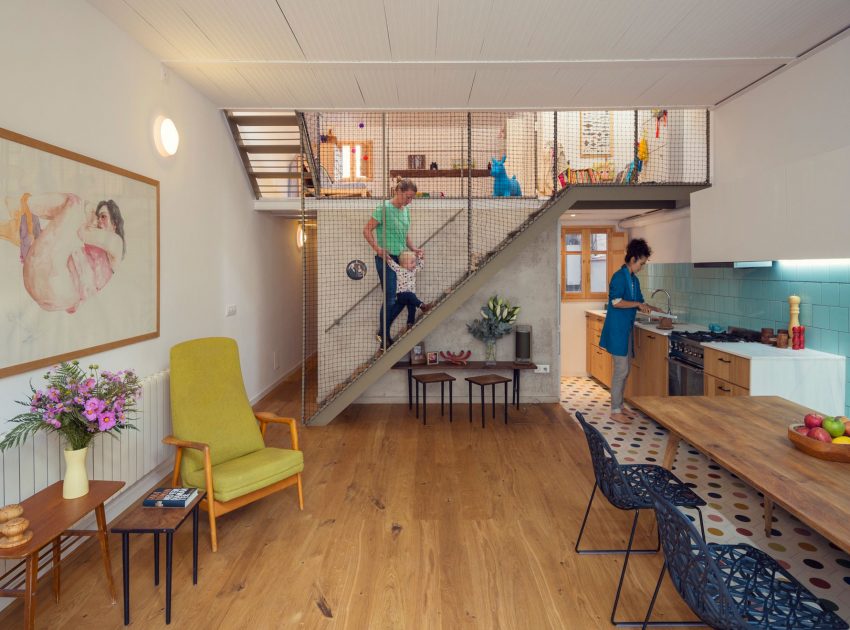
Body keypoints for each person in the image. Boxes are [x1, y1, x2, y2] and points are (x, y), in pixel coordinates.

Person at [0, 192, 125, 313]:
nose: (98, 220)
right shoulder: (99, 261)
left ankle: (26, 205)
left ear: (114, 224)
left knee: (74, 202)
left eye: (103, 216)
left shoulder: (117, 242)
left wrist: (89, 210)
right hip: (50, 294)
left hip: (52, 283)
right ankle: (20, 228)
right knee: (59, 235)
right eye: (98, 216)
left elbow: (83, 233)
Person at [598, 238, 664, 423]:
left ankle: (620, 405)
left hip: (625, 330)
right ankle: (615, 410)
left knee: (625, 371)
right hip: (617, 329)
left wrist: (652, 308)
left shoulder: (633, 279)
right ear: (633, 259)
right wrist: (637, 304)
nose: (641, 267)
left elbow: (639, 301)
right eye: (641, 263)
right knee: (621, 369)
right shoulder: (619, 277)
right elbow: (616, 302)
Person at [362, 179, 422, 346]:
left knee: (403, 298)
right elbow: (366, 230)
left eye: (412, 198)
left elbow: (405, 234)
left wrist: (414, 248)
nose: (409, 201)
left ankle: (382, 331)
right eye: (408, 197)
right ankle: (385, 338)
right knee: (390, 298)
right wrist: (377, 249)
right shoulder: (383, 208)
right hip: (386, 259)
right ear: (399, 192)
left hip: (402, 259)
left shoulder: (406, 211)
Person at [383, 249, 432, 334]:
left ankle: (410, 324)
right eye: (412, 262)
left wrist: (421, 257)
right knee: (410, 296)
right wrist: (386, 256)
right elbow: (391, 264)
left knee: (412, 308)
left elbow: (420, 266)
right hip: (402, 294)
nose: (414, 264)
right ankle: (422, 306)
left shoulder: (413, 271)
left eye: (414, 262)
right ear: (404, 264)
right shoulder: (399, 269)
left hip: (411, 295)